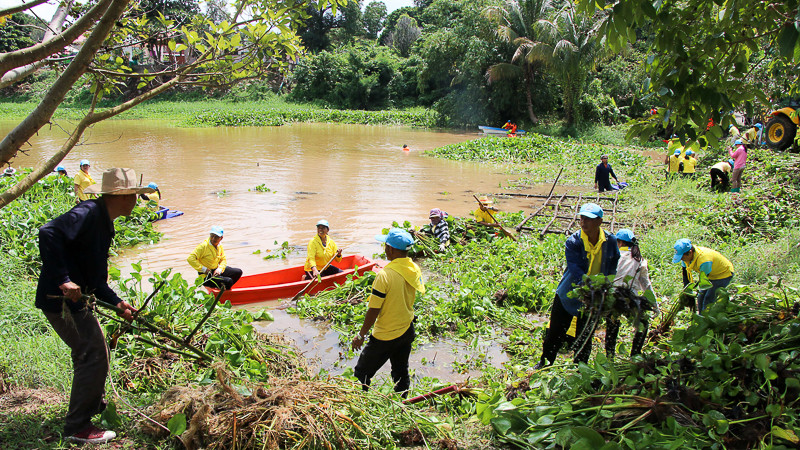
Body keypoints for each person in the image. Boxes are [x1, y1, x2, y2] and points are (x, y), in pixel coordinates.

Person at [37, 168, 149, 444]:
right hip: (61, 301)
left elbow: (96, 281)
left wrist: (118, 303)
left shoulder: (103, 221)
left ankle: (90, 406)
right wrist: (63, 279)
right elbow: (48, 232)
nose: (137, 201)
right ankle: (78, 427)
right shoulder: (87, 214)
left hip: (78, 301)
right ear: (124, 197)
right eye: (135, 195)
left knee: (95, 349)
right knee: (92, 352)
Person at [535, 203, 620, 368]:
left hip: (594, 296)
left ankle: (580, 367)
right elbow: (575, 269)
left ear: (599, 222)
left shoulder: (610, 241)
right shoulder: (574, 241)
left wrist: (606, 285)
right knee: (556, 331)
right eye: (582, 218)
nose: (583, 223)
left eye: (589, 219)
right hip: (569, 293)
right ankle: (545, 363)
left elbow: (613, 262)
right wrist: (589, 285)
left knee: (585, 334)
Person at [352, 228, 425, 396]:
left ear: (391, 249)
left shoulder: (385, 275)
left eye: (386, 246)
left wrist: (361, 335)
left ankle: (360, 402)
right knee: (401, 371)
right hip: (406, 329)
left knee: (361, 373)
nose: (384, 249)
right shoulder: (413, 268)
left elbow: (374, 310)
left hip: (386, 335)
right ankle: (403, 402)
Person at [607, 229, 656, 358]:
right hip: (631, 299)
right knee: (643, 324)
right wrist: (655, 305)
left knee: (612, 324)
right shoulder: (639, 260)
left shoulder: (613, 256)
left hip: (613, 297)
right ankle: (635, 354)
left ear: (620, 242)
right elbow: (646, 285)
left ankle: (609, 355)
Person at [671, 238, 734, 313]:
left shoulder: (704, 260)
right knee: (700, 297)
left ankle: (706, 320)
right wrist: (687, 292)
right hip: (710, 274)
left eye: (682, 257)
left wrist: (694, 290)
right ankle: (701, 317)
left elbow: (704, 281)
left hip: (723, 274)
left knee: (708, 298)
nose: (682, 260)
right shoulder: (686, 258)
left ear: (690, 252)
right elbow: (685, 275)